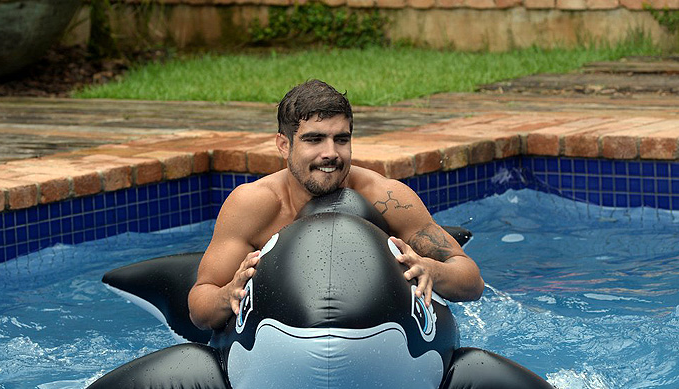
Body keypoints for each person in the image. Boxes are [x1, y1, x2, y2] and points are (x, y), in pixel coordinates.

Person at [189, 80, 484, 330]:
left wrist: (432, 269)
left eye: (340, 139)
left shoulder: (386, 198)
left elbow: (471, 280)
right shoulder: (253, 206)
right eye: (314, 140)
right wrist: (228, 293)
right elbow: (199, 304)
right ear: (284, 145)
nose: (330, 153)